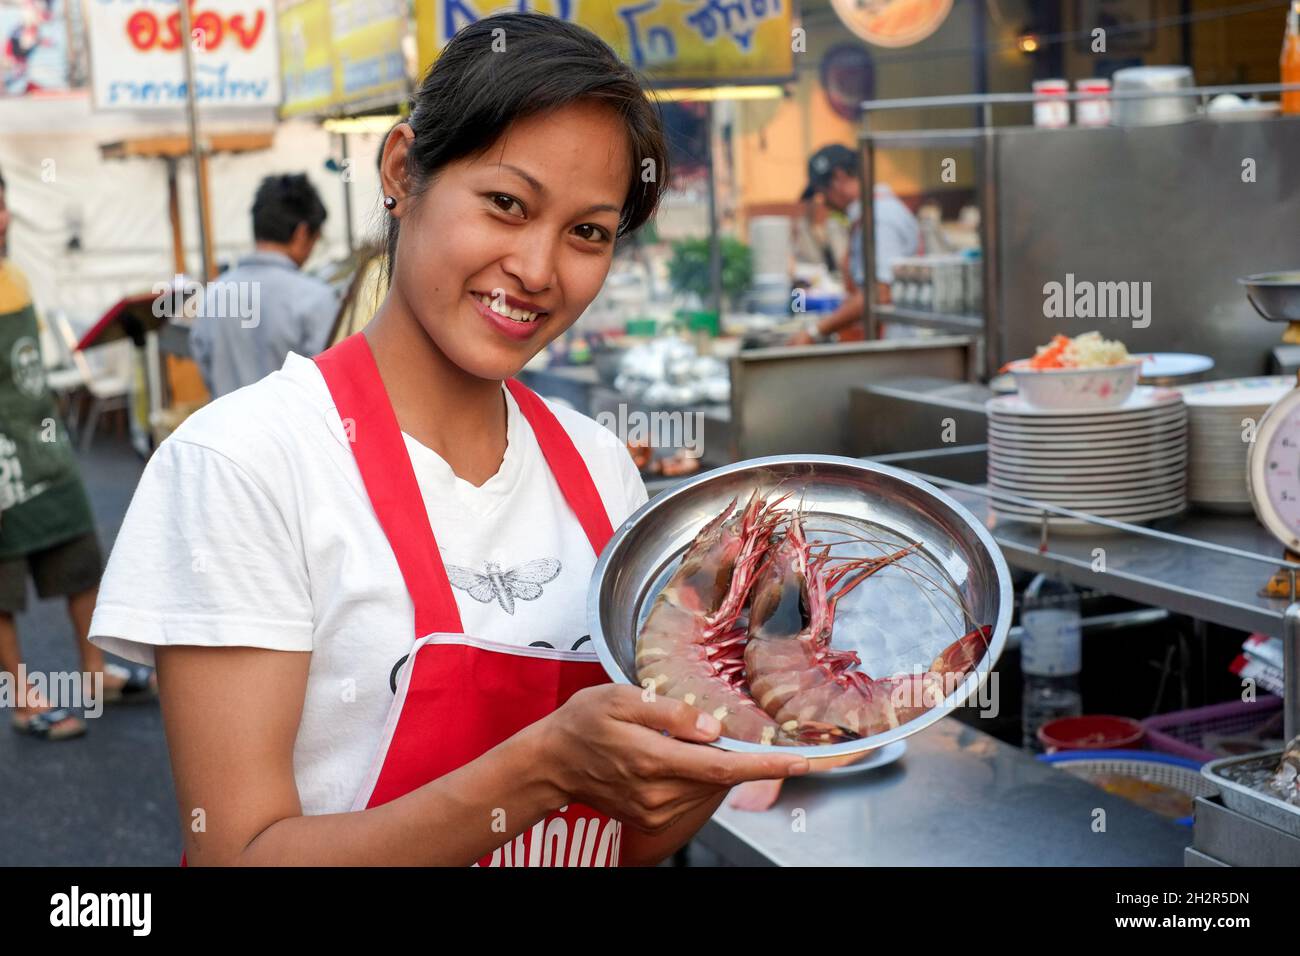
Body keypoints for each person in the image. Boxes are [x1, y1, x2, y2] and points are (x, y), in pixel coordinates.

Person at [88, 13, 807, 867]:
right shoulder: (245, 468)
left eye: (587, 233)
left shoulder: (598, 468)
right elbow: (237, 856)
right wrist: (543, 764)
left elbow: (630, 840)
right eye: (507, 204)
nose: (539, 270)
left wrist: (723, 685)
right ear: (402, 172)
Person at [0, 164, 155, 742]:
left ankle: (94, 676)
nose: (3, 219)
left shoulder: (14, 276)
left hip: (43, 447)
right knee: (2, 589)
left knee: (80, 560)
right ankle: (20, 698)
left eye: (3, 205)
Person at [189, 173, 339, 398]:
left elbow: (206, 369)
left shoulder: (214, 295)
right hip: (294, 432)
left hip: (227, 430)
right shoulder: (316, 299)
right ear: (302, 233)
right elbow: (330, 385)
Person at [788, 144, 920, 345]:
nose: (824, 202)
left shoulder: (879, 217)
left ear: (839, 178)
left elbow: (878, 293)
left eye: (823, 193)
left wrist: (814, 332)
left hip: (894, 347)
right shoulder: (867, 215)